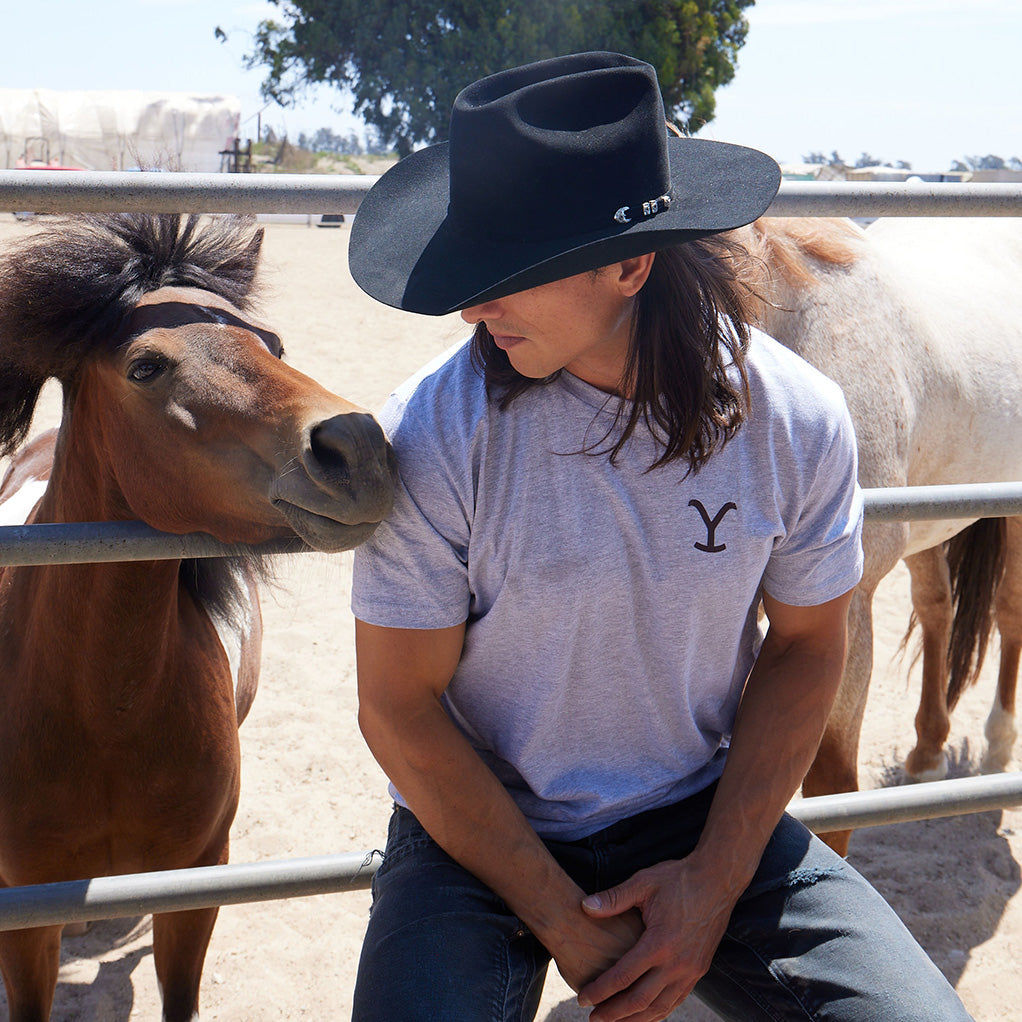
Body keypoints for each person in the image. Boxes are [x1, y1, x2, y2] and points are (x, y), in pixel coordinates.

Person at [345, 51, 972, 1022]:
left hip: (700, 809)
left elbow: (807, 647)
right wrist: (563, 915)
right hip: (472, 821)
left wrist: (711, 883)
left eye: (505, 273)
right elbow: (398, 709)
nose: (471, 307)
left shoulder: (794, 420)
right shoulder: (434, 429)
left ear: (629, 263)